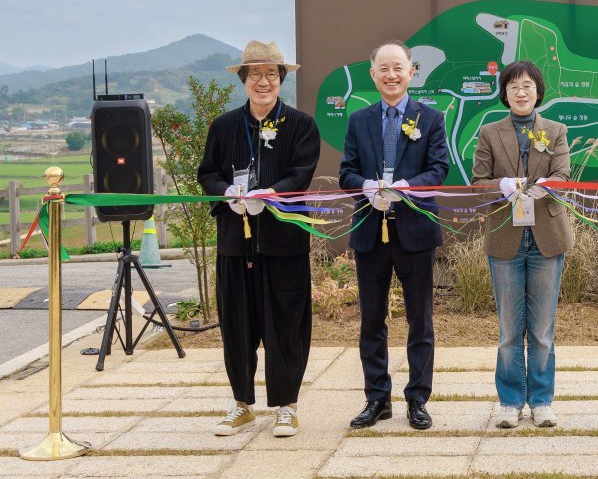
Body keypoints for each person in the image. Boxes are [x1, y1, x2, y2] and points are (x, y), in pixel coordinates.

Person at [198, 40, 320, 438]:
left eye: (271, 74)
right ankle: (241, 405)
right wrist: (228, 195)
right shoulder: (224, 126)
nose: (263, 82)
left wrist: (270, 194)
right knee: (237, 324)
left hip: (283, 241)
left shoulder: (301, 124)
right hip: (236, 241)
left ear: (281, 79)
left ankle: (287, 406)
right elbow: (208, 174)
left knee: (287, 323)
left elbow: (301, 172)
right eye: (255, 75)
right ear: (244, 81)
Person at [339, 41, 449, 430]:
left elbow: (439, 169)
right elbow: (345, 172)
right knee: (372, 320)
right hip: (370, 231)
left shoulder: (431, 119)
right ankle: (376, 399)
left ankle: (417, 399)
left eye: (398, 68)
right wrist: (366, 186)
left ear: (411, 71)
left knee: (420, 321)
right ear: (373, 74)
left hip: (415, 232)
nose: (391, 75)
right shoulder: (359, 120)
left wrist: (406, 186)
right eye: (383, 68)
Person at [471, 61, 574, 429]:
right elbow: (478, 181)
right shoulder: (490, 132)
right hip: (505, 237)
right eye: (514, 86)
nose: (521, 92)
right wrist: (499, 185)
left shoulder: (556, 130)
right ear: (505, 93)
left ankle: (542, 400)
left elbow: (563, 175)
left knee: (543, 330)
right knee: (510, 330)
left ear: (538, 91)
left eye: (528, 85)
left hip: (546, 236)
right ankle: (511, 401)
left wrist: (548, 185)